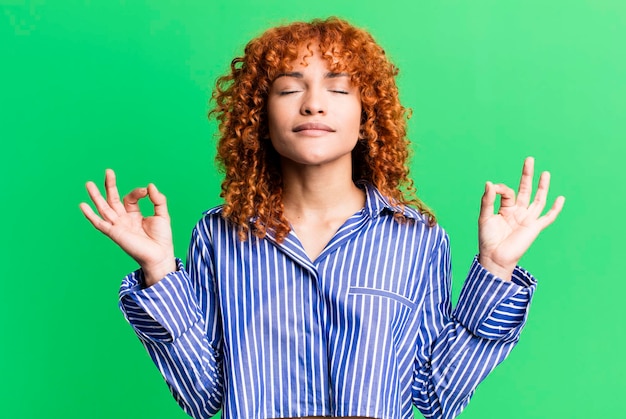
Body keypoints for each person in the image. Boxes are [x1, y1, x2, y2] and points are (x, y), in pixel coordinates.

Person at [80, 17, 564, 419]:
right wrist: (160, 270)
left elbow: (436, 396)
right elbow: (204, 397)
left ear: (366, 116)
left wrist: (496, 271)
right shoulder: (218, 234)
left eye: (338, 89)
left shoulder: (416, 238)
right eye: (290, 89)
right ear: (259, 118)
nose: (313, 102)